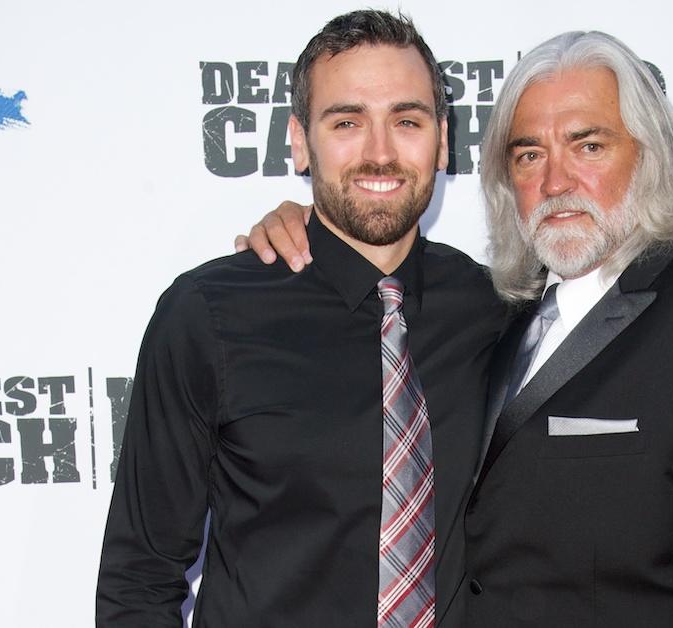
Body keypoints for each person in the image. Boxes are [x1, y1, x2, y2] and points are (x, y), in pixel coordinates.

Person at [241, 30, 673, 627]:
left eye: (588, 146)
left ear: (649, 154)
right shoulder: (495, 310)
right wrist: (306, 229)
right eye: (528, 155)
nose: (555, 181)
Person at [97, 11, 505, 627]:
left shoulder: (494, 310)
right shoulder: (209, 315)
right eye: (346, 121)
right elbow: (140, 577)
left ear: (443, 140)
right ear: (298, 140)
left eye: (407, 120)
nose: (380, 152)